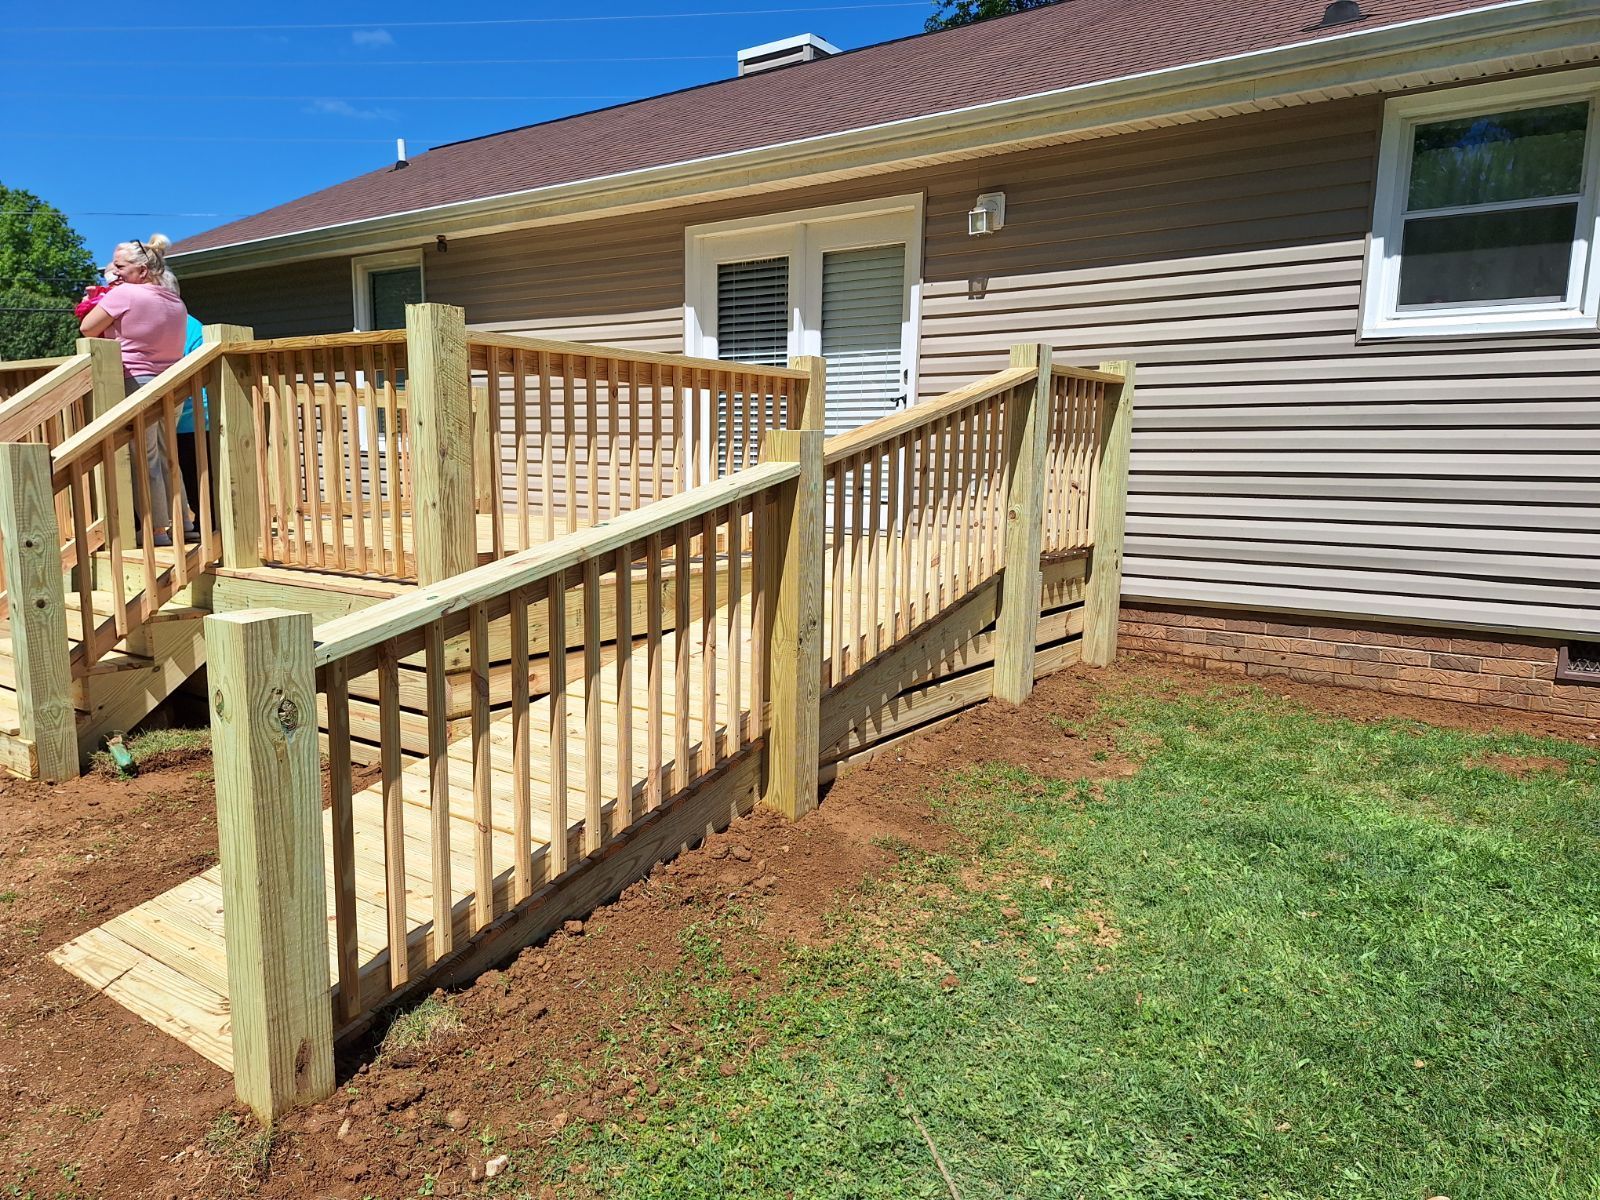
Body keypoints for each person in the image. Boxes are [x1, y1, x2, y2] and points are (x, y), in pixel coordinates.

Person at [79, 235, 190, 547]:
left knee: (145, 456)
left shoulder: (126, 294)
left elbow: (87, 327)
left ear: (142, 270)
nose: (112, 271)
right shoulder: (175, 301)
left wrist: (109, 292)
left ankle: (156, 530)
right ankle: (184, 522)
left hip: (137, 380)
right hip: (173, 381)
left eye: (119, 266)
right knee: (169, 454)